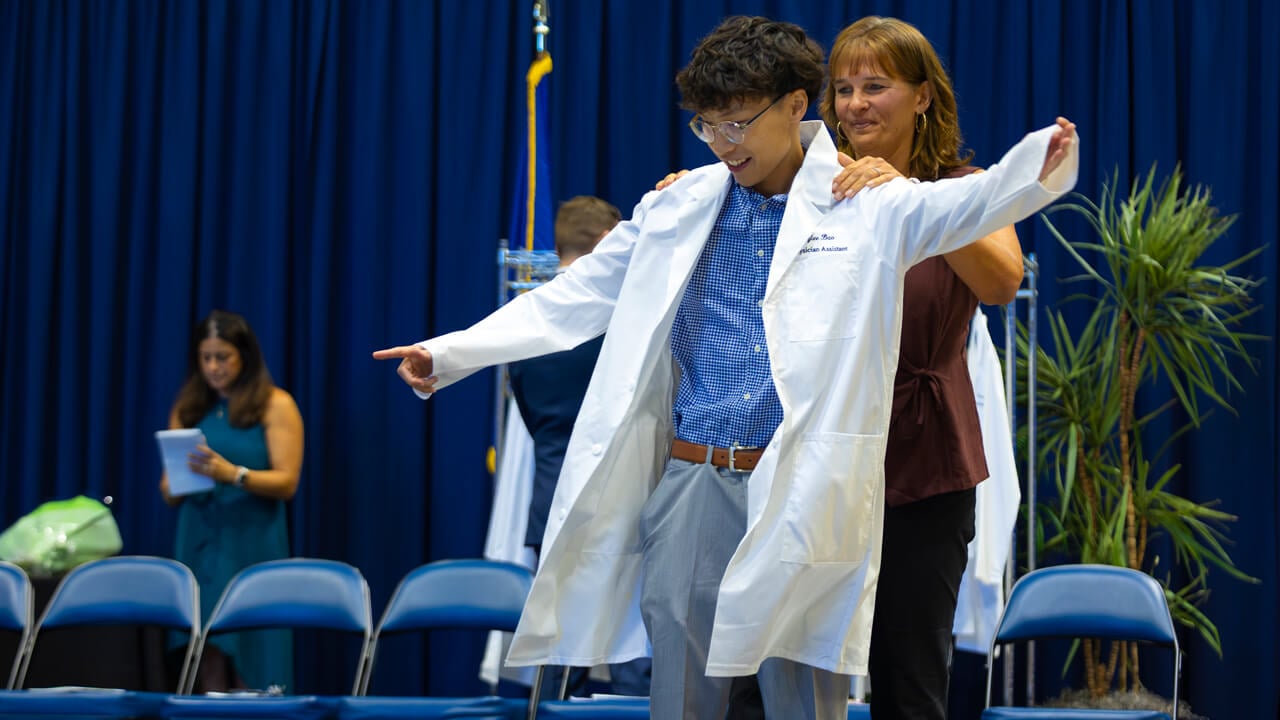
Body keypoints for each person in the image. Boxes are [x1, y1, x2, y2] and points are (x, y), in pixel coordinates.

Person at [375, 15, 1077, 720]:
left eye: (738, 123)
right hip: (694, 484)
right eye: (707, 126)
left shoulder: (864, 203)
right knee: (686, 701)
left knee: (801, 703)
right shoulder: (681, 203)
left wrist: (1039, 160)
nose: (721, 143)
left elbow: (967, 205)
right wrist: (451, 352)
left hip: (799, 489)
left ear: (797, 108)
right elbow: (576, 295)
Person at [708, 16, 1026, 720]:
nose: (854, 103)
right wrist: (691, 194)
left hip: (923, 468)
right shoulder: (808, 190)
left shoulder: (960, 185)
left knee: (909, 684)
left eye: (875, 86)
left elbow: (1003, 281)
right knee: (758, 681)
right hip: (807, 469)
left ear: (921, 96)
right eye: (844, 88)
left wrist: (908, 198)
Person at [507, 195, 651, 696]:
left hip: (553, 502)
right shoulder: (624, 319)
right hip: (627, 500)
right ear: (608, 243)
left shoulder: (526, 317)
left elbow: (529, 414)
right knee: (636, 652)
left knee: (559, 652)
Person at [159, 309, 304, 693]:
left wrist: (232, 474)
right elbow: (168, 489)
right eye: (205, 358)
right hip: (199, 540)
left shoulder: (275, 405)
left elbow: (287, 481)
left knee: (252, 648)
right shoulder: (191, 407)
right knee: (206, 651)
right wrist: (180, 478)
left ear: (245, 356)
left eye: (222, 357)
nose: (213, 367)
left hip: (250, 541)